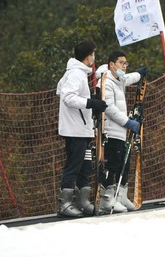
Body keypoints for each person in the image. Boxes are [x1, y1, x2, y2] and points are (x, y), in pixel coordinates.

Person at [56, 39, 107, 217]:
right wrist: (89, 102)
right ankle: (65, 203)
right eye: (93, 54)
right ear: (88, 57)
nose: (94, 57)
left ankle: (83, 202)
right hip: (74, 130)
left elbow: (61, 90)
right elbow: (67, 96)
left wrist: (90, 98)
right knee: (74, 165)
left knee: (85, 166)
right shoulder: (75, 74)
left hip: (83, 129)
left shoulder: (79, 74)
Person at [95, 51, 147, 214]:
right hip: (110, 130)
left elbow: (129, 78)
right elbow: (109, 107)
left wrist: (139, 74)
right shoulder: (105, 82)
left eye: (126, 63)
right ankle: (107, 198)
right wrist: (127, 122)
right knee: (112, 164)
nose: (124, 66)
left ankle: (121, 195)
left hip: (121, 132)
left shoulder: (119, 79)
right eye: (121, 63)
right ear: (111, 64)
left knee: (124, 163)